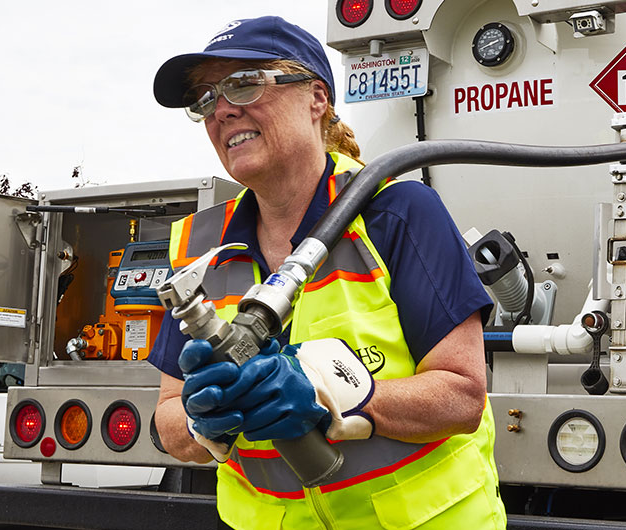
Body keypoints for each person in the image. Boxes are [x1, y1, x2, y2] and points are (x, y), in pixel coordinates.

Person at [148, 16, 506, 529]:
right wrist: (203, 419)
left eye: (244, 83)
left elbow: (463, 396)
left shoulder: (397, 212)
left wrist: (327, 390)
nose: (221, 109)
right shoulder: (200, 245)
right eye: (205, 98)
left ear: (317, 97)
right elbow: (166, 418)